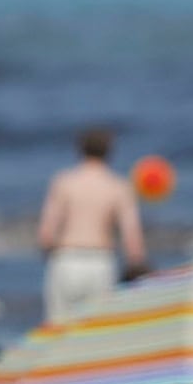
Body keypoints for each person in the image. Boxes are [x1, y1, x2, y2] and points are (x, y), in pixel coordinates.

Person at [38, 125, 147, 323]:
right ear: (109, 151)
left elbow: (46, 234)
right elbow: (133, 241)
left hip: (66, 260)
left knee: (57, 330)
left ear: (79, 149)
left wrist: (49, 254)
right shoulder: (118, 186)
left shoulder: (64, 182)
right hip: (100, 262)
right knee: (96, 331)